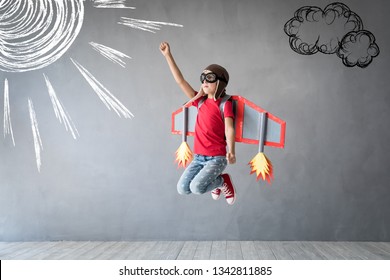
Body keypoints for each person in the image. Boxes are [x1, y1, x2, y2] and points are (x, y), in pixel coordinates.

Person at [160, 42, 236, 205]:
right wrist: (168, 56)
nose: (204, 82)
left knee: (197, 187)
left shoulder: (225, 104)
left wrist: (231, 150)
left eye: (210, 78)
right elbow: (181, 81)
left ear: (220, 82)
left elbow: (230, 128)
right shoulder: (199, 101)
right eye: (203, 78)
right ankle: (216, 182)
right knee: (183, 189)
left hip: (216, 158)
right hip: (199, 157)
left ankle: (222, 181)